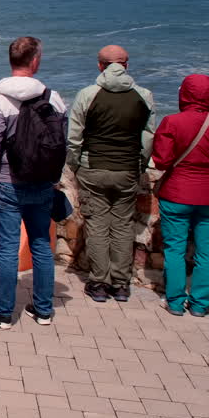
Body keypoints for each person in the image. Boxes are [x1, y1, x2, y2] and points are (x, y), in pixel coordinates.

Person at [0, 36, 67, 330]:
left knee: (7, 246)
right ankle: (43, 309)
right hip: (42, 182)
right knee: (41, 244)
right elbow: (61, 144)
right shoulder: (53, 98)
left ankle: (3, 311)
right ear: (35, 61)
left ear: (10, 60)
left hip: (7, 180)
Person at [67, 45, 156, 303]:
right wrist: (140, 164)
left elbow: (74, 137)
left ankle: (98, 282)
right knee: (122, 225)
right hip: (127, 168)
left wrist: (75, 164)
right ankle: (120, 284)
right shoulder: (143, 96)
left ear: (100, 66)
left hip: (93, 166)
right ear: (126, 65)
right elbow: (148, 138)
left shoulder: (88, 95)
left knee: (96, 224)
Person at [153, 75, 209, 318]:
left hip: (176, 192)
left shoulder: (172, 122)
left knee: (175, 249)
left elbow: (161, 161)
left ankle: (175, 301)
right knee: (206, 251)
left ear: (183, 94)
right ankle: (201, 304)